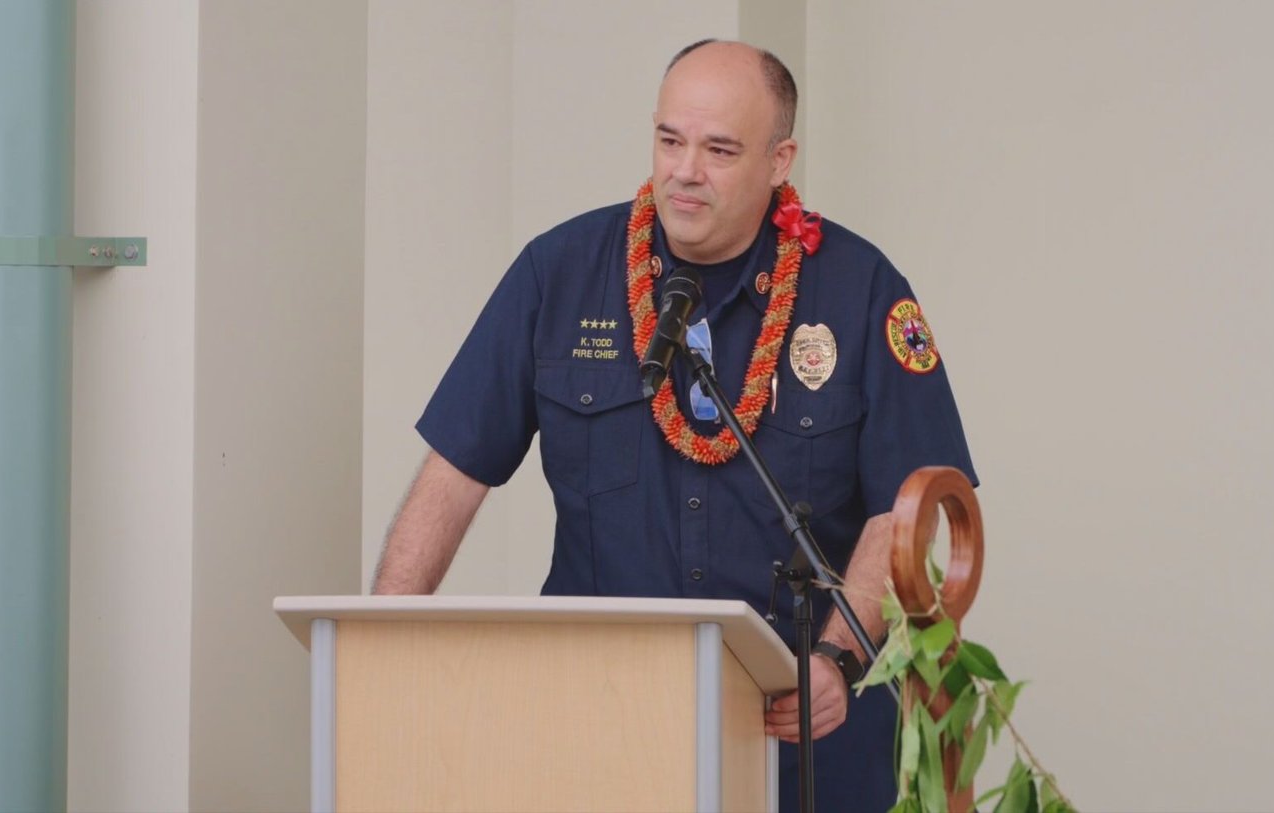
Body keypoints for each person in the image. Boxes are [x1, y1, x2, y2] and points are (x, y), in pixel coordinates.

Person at [373, 39, 977, 813]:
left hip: (799, 732)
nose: (685, 170)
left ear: (780, 159)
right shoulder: (559, 273)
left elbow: (906, 509)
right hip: (595, 726)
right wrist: (381, 654)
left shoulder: (861, 290)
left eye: (719, 150)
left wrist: (838, 653)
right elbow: (452, 474)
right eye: (669, 140)